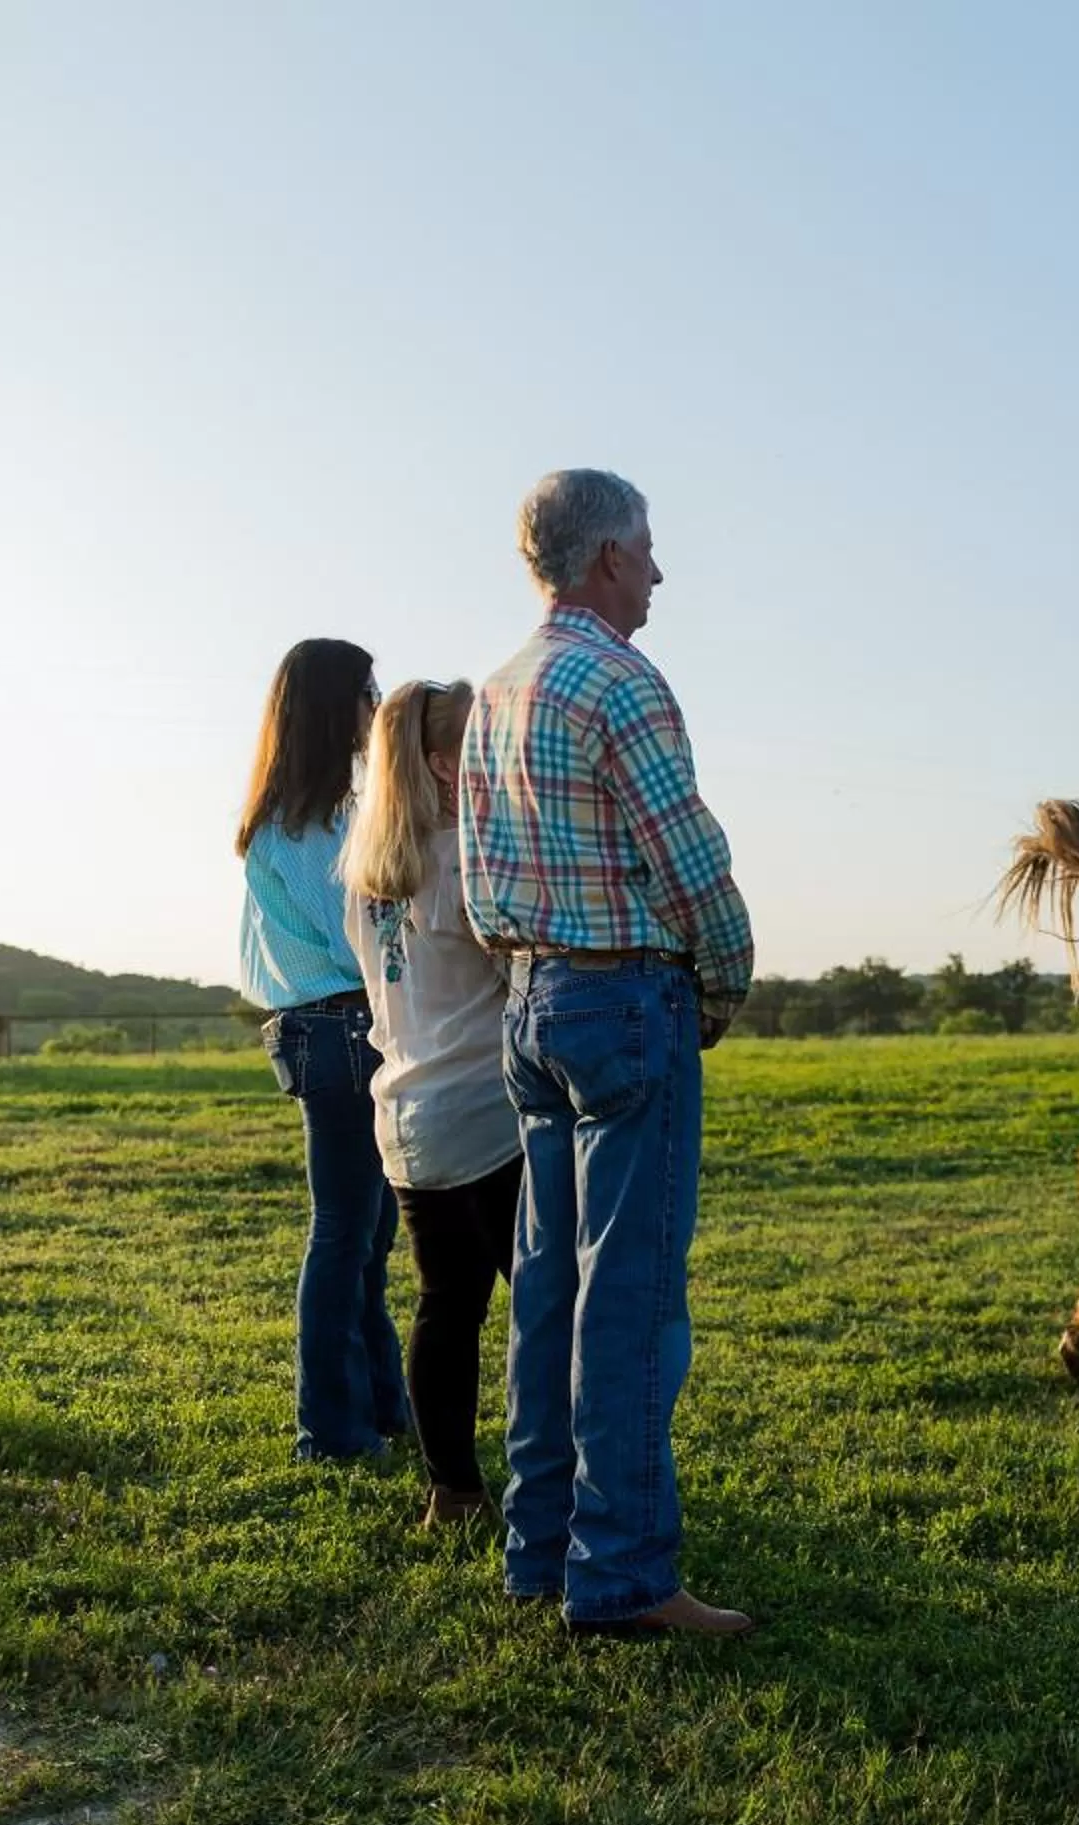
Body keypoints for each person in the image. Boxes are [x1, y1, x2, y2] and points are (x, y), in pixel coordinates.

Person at [460, 468, 758, 1639]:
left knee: (546, 1289)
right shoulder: (622, 682)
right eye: (646, 548)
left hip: (528, 998)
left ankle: (540, 1549)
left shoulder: (494, 691)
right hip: (629, 994)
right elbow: (694, 867)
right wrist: (720, 987)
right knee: (628, 1296)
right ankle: (625, 1574)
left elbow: (479, 882)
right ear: (602, 560)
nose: (658, 569)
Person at [342, 679, 522, 1530]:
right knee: (546, 1300)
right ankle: (563, 1477)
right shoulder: (469, 861)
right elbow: (521, 979)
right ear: (448, 764)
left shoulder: (368, 877)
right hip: (488, 1111)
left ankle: (452, 1490)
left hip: (407, 1116)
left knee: (447, 1305)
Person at [236, 637, 407, 1462]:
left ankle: (380, 1409)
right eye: (367, 693)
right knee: (345, 1231)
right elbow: (355, 940)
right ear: (334, 704)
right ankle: (330, 1432)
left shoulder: (290, 818)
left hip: (327, 1032)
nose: (376, 710)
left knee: (367, 1236)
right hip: (344, 1029)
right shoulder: (312, 824)